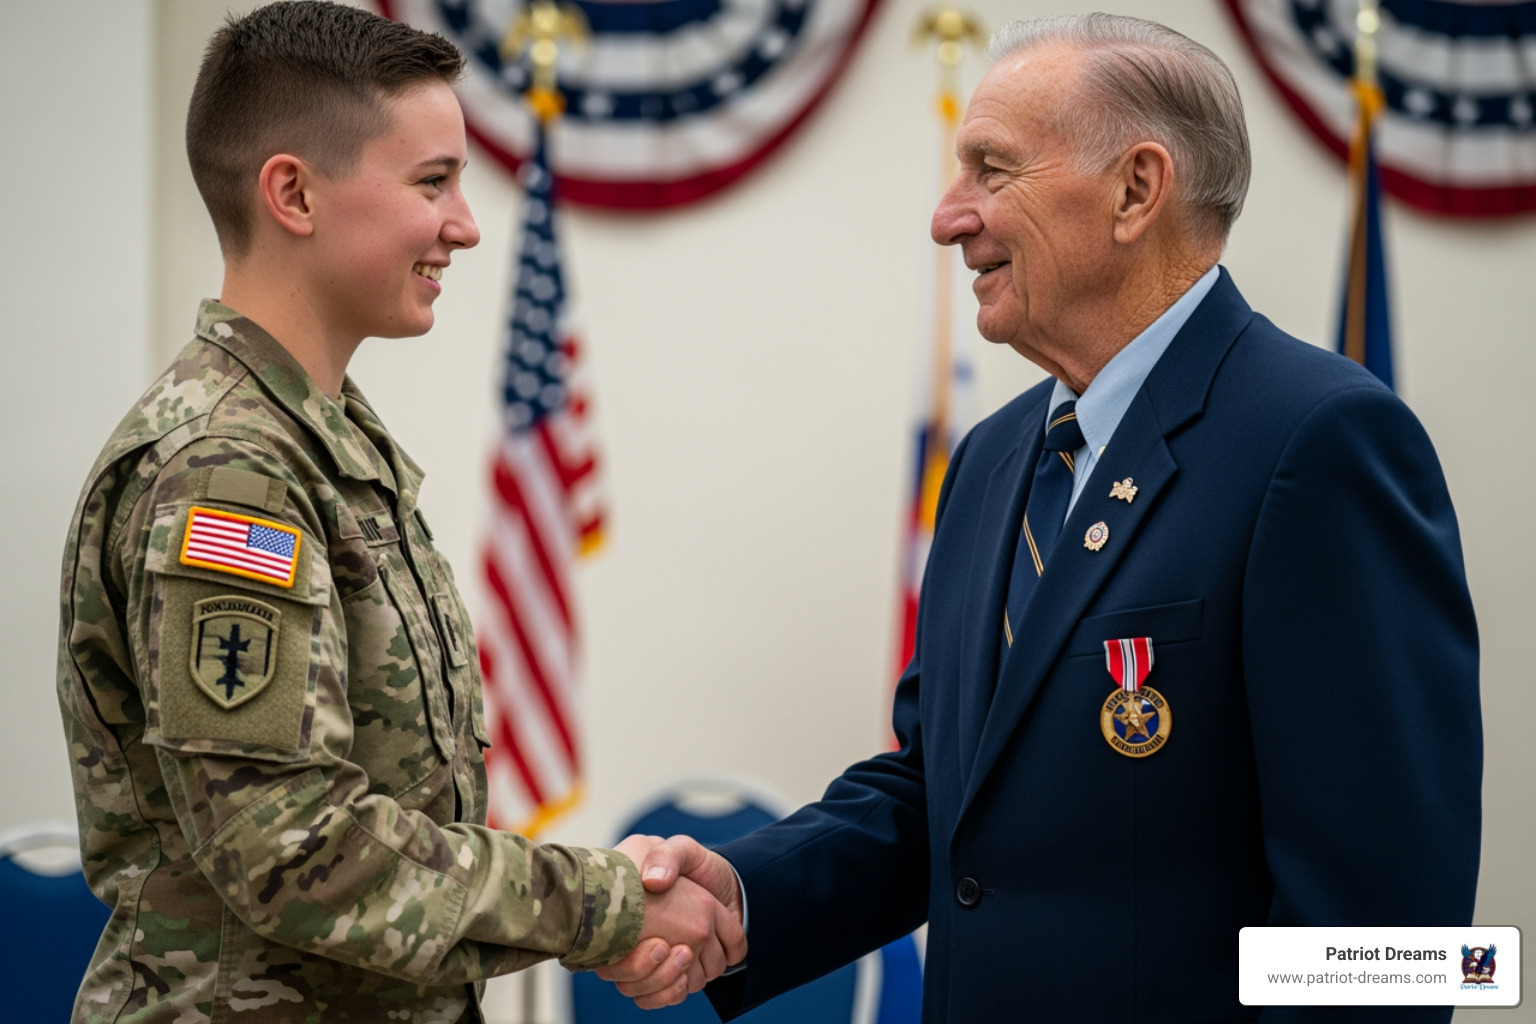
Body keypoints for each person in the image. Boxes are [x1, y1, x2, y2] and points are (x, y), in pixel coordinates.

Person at [601, 13, 1481, 1022]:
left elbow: (1392, 942)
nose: (946, 215)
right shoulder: (992, 459)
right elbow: (945, 795)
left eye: (991, 170)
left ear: (1136, 190)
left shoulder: (1320, 442)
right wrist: (745, 894)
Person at [55, 4, 741, 1021]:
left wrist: (598, 906)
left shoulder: (327, 441)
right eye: (434, 181)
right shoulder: (229, 468)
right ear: (292, 192)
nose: (465, 224)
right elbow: (295, 849)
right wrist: (605, 906)